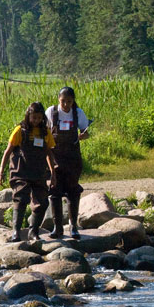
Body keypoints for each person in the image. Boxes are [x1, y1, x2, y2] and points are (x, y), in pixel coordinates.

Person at [0, 102, 57, 242]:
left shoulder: (45, 133)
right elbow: (7, 152)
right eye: (33, 117)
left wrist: (53, 173)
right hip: (21, 172)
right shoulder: (20, 131)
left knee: (42, 202)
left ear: (43, 118)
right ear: (28, 116)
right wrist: (1, 171)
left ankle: (33, 232)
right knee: (21, 199)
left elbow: (49, 154)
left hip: (39, 172)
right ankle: (16, 232)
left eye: (39, 118)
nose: (36, 120)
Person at [46, 87, 90, 239]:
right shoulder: (51, 112)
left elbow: (86, 131)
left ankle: (73, 227)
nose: (66, 104)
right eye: (63, 101)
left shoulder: (78, 113)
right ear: (58, 99)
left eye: (69, 101)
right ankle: (57, 228)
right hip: (55, 157)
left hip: (73, 159)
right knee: (54, 191)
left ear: (73, 101)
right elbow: (45, 132)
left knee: (73, 191)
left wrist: (84, 135)